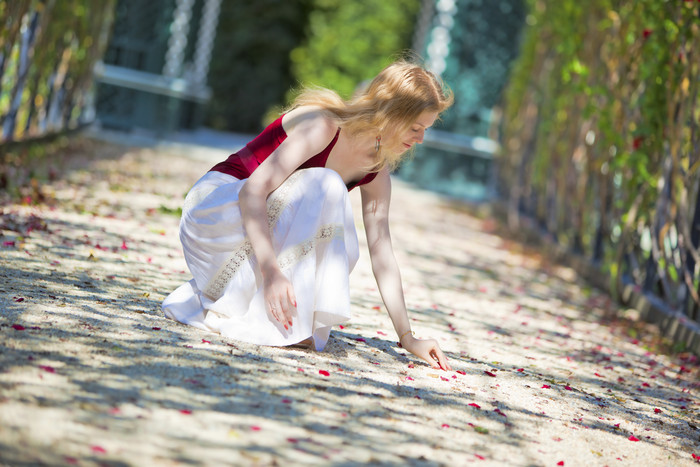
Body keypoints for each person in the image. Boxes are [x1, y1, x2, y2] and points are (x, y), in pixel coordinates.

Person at [163, 59, 453, 370]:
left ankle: (284, 317)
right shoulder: (324, 126)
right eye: (416, 127)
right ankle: (267, 304)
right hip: (217, 211)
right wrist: (273, 272)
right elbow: (252, 191)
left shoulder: (377, 174)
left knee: (343, 235)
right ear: (392, 114)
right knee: (326, 183)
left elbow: (382, 255)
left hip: (256, 228)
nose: (421, 139)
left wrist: (408, 336)